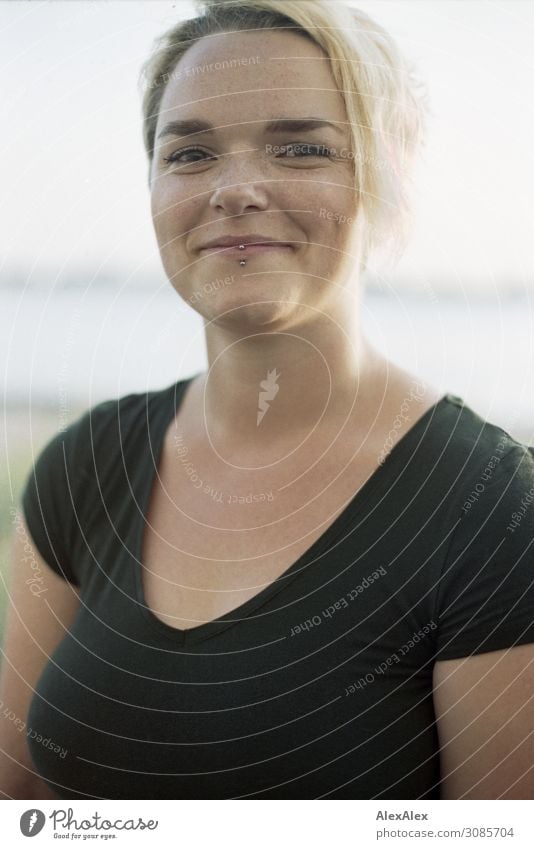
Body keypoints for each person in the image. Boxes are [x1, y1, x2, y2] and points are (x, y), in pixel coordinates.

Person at [1, 0, 533, 801]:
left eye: (300, 146)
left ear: (384, 177)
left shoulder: (492, 506)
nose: (236, 188)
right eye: (190, 152)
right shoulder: (81, 466)